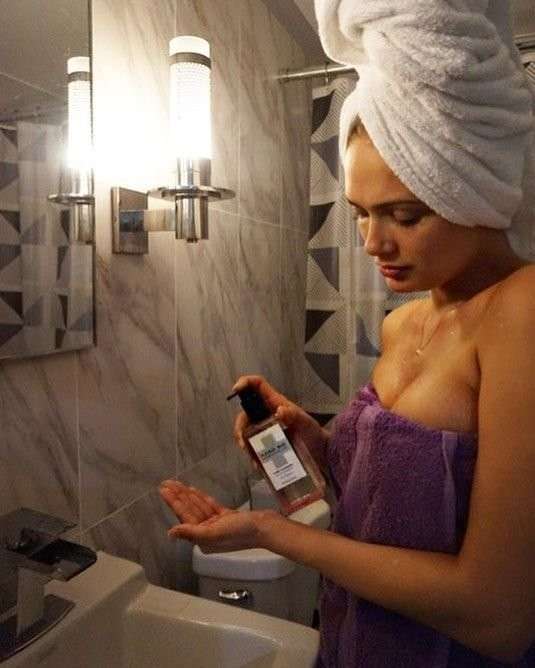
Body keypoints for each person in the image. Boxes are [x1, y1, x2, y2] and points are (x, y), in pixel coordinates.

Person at [160, 1, 535, 665]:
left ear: (470, 186)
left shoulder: (520, 311)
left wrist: (273, 533)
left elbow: (496, 615)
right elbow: (397, 503)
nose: (371, 243)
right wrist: (315, 441)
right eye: (361, 213)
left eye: (403, 215)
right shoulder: (403, 324)